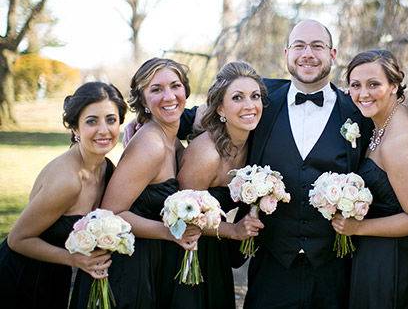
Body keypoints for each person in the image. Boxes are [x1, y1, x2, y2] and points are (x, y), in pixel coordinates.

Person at [178, 20, 372, 308]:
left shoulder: (358, 110)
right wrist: (149, 124)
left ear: (332, 54)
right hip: (271, 265)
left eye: (317, 46)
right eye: (299, 46)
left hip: (335, 268)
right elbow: (201, 111)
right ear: (286, 54)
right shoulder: (260, 99)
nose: (308, 53)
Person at [70, 58, 200, 309]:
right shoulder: (151, 144)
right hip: (127, 270)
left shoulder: (170, 138)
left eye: (175, 85)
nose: (169, 96)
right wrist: (172, 233)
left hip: (150, 261)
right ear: (142, 100)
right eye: (156, 89)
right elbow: (112, 213)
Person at [0, 82, 126, 308]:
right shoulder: (68, 181)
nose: (104, 130)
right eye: (91, 121)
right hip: (21, 278)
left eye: (111, 119)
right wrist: (75, 259)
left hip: (55, 276)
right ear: (75, 129)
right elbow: (17, 239)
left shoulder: (106, 168)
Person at [331, 49, 408, 308]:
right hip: (381, 253)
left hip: (394, 262)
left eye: (374, 84)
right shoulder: (398, 114)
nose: (363, 94)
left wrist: (356, 228)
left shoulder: (397, 145)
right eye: (356, 85)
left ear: (394, 86)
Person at [176, 61, 266, 308]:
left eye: (255, 96)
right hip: (188, 253)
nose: (249, 105)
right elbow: (181, 218)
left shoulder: (253, 140)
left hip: (216, 251)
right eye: (237, 98)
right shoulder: (207, 153)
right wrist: (234, 231)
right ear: (220, 109)